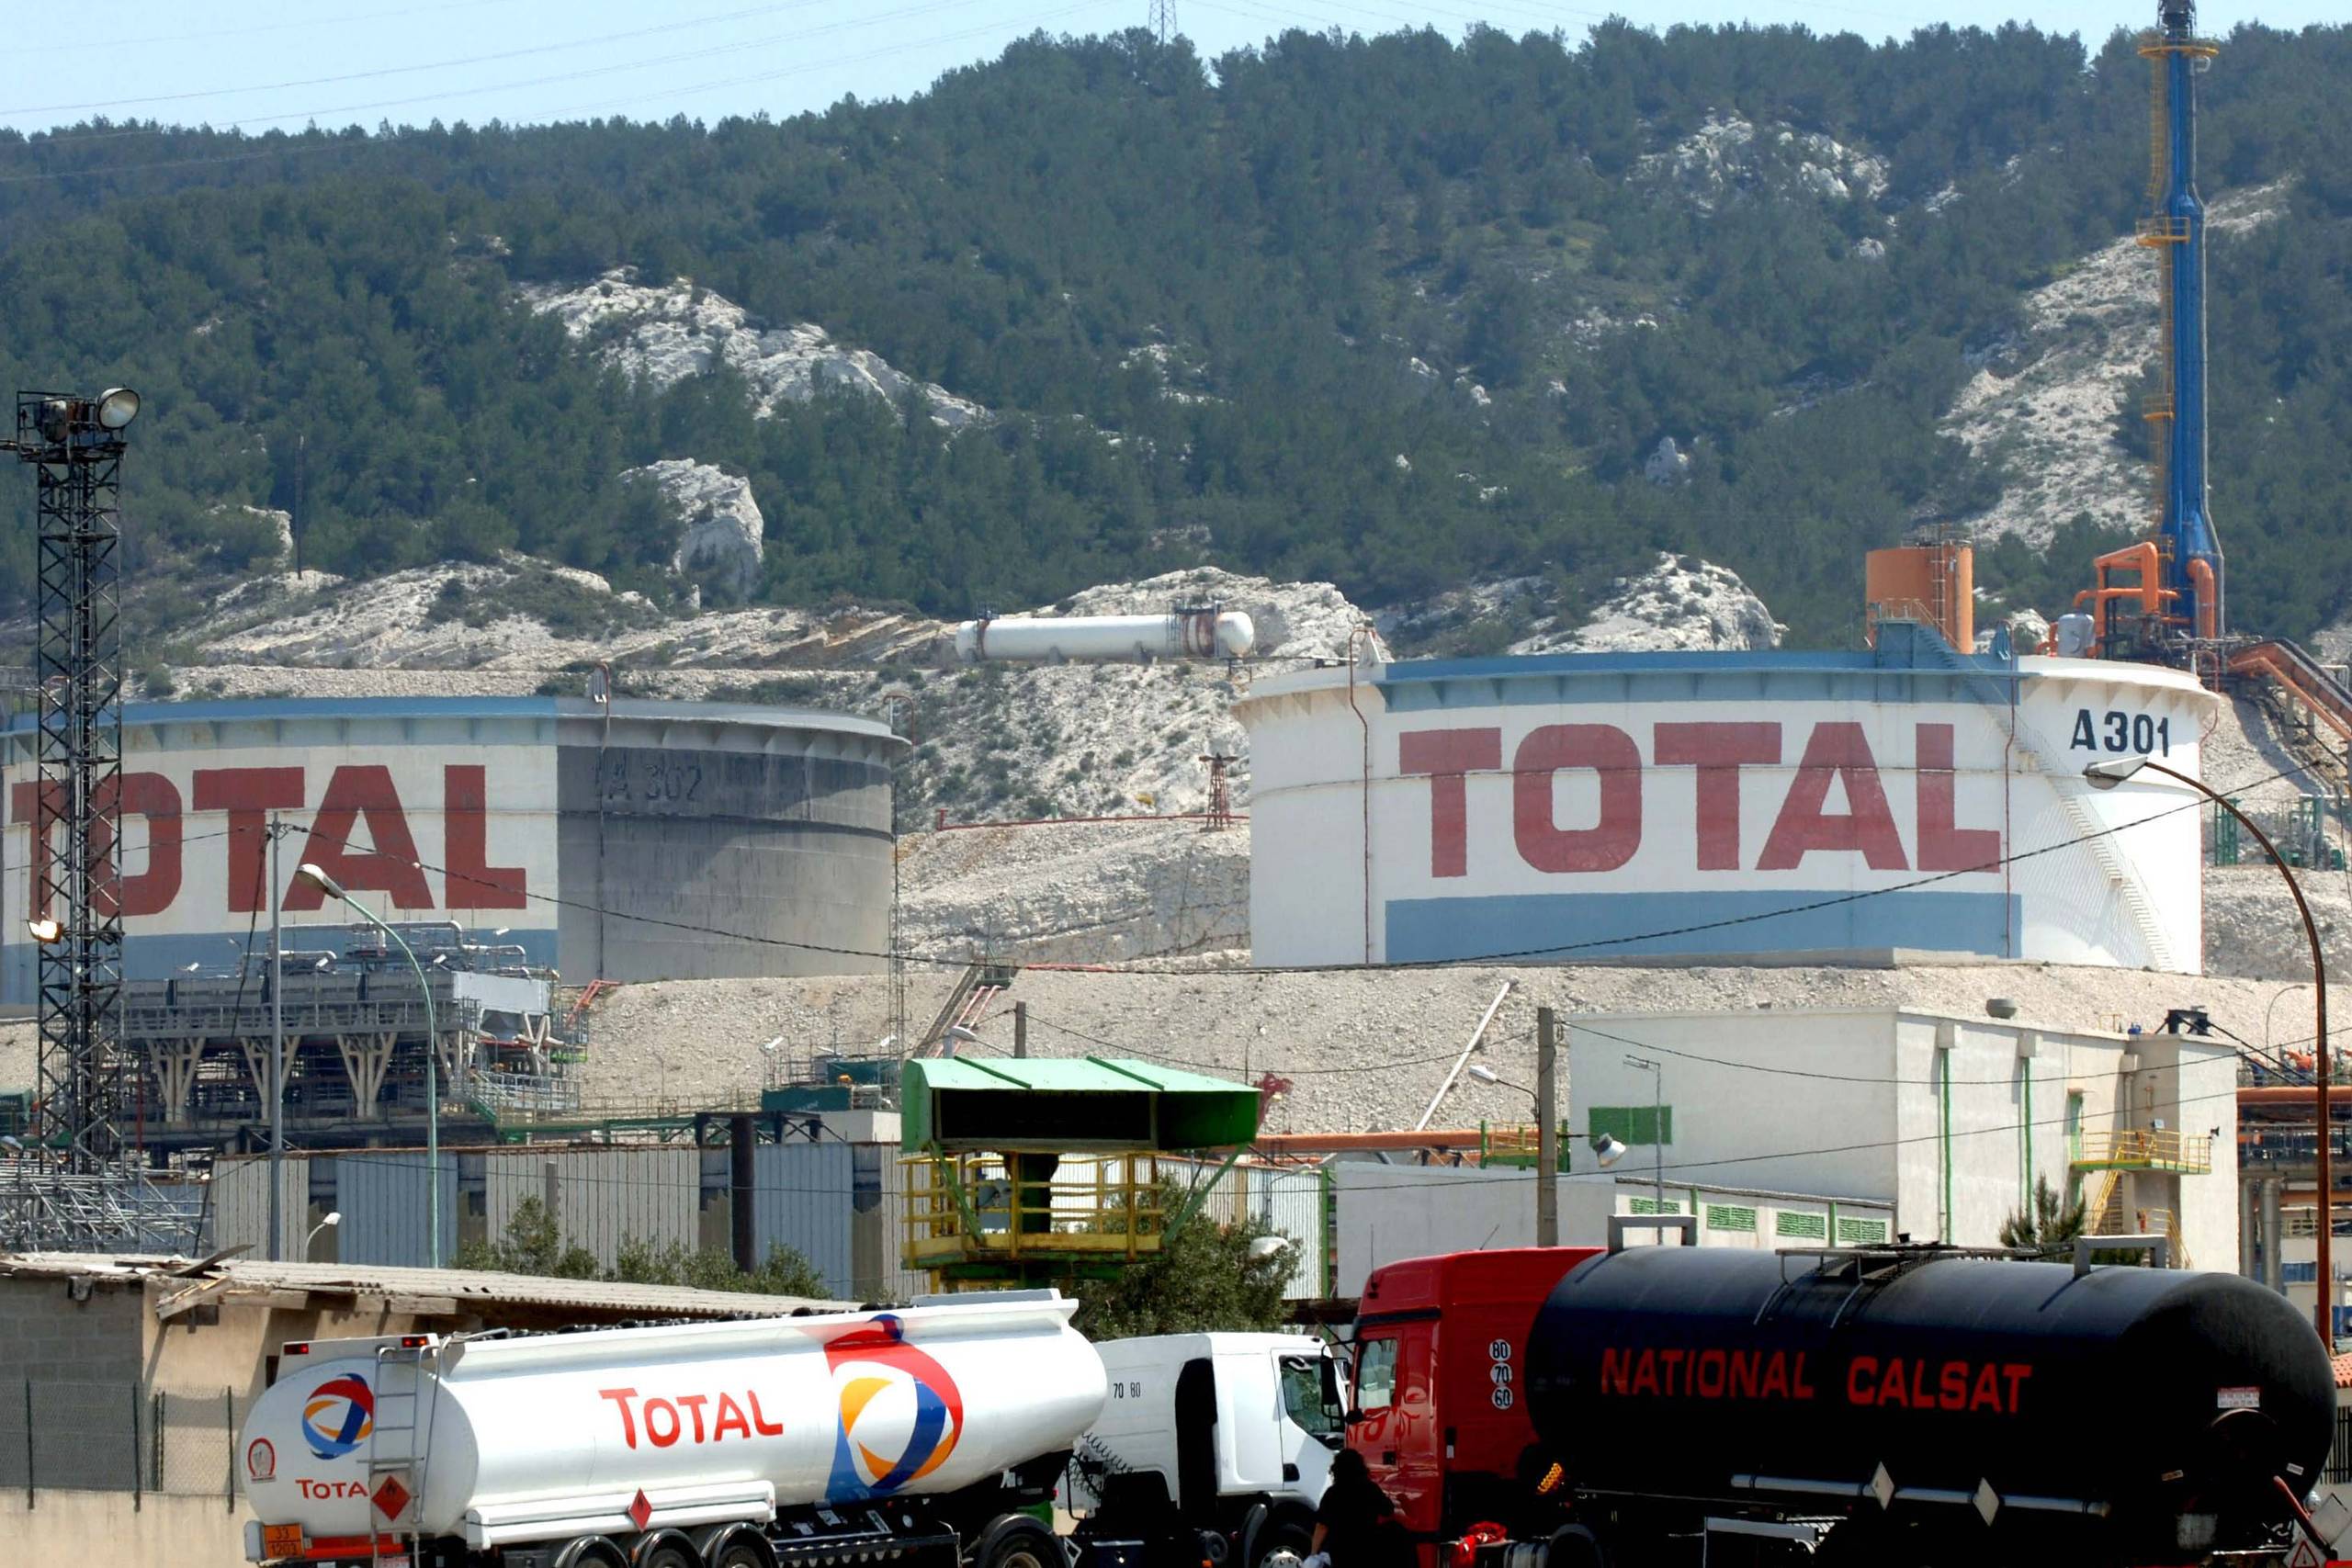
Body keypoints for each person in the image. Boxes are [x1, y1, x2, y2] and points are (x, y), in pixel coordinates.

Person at [1309, 1448, 1399, 1568]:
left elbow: (1322, 1526)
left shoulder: (1332, 1493)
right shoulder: (1370, 1489)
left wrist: (1313, 1554)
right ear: (1360, 1467)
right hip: (1367, 1549)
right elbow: (1388, 1510)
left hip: (1340, 1552)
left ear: (1337, 1469)